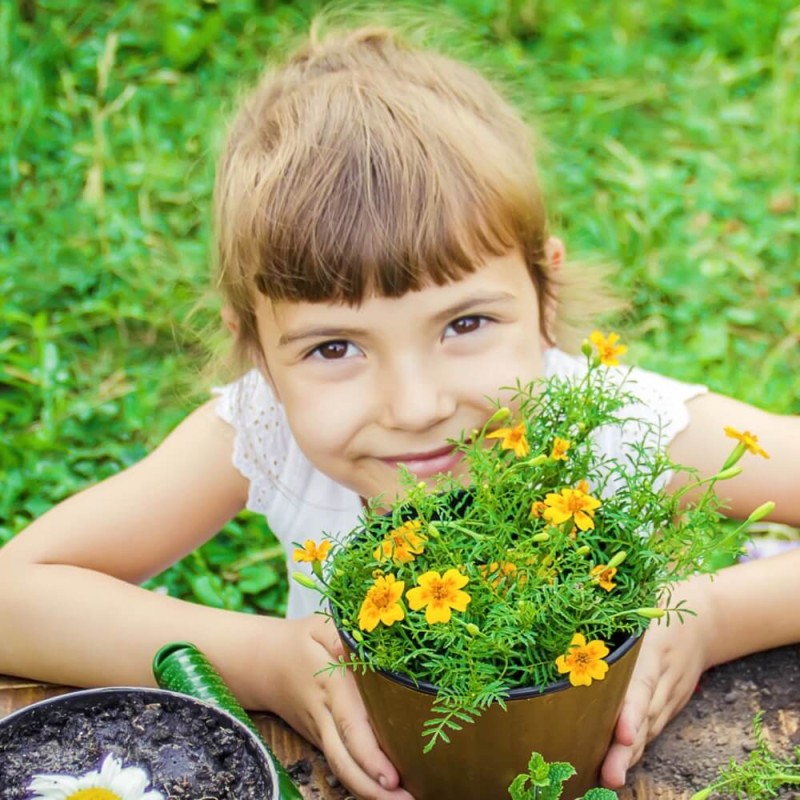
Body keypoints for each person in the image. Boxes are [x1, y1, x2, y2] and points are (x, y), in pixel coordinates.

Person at [0, 20, 797, 800]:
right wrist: (266, 662)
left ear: (544, 294)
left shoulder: (616, 428)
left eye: (465, 324)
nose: (415, 408)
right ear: (258, 352)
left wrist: (714, 616)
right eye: (334, 349)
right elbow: (14, 599)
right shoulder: (264, 431)